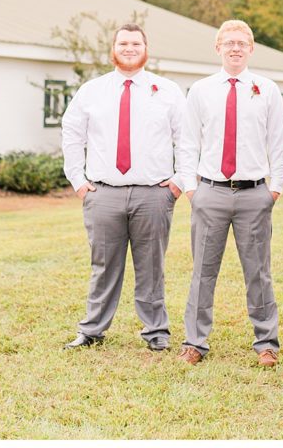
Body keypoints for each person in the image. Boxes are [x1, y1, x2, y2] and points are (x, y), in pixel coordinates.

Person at [61, 23, 186, 352]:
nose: (129, 48)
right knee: (103, 265)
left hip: (153, 194)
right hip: (103, 193)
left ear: (146, 49)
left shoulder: (167, 90)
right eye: (123, 43)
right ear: (113, 48)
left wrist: (178, 182)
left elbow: (186, 138)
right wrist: (78, 182)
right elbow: (72, 134)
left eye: (135, 43)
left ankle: (156, 331)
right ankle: (91, 330)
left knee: (152, 265)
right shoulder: (92, 91)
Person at [176, 19, 283, 367]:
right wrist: (192, 187)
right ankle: (195, 342)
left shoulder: (266, 89)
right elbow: (187, 141)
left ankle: (266, 342)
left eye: (242, 43)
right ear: (218, 48)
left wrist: (275, 188)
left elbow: (278, 142)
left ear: (251, 49)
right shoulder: (201, 90)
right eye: (229, 43)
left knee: (259, 271)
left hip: (254, 193)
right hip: (210, 191)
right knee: (203, 271)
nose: (236, 48)